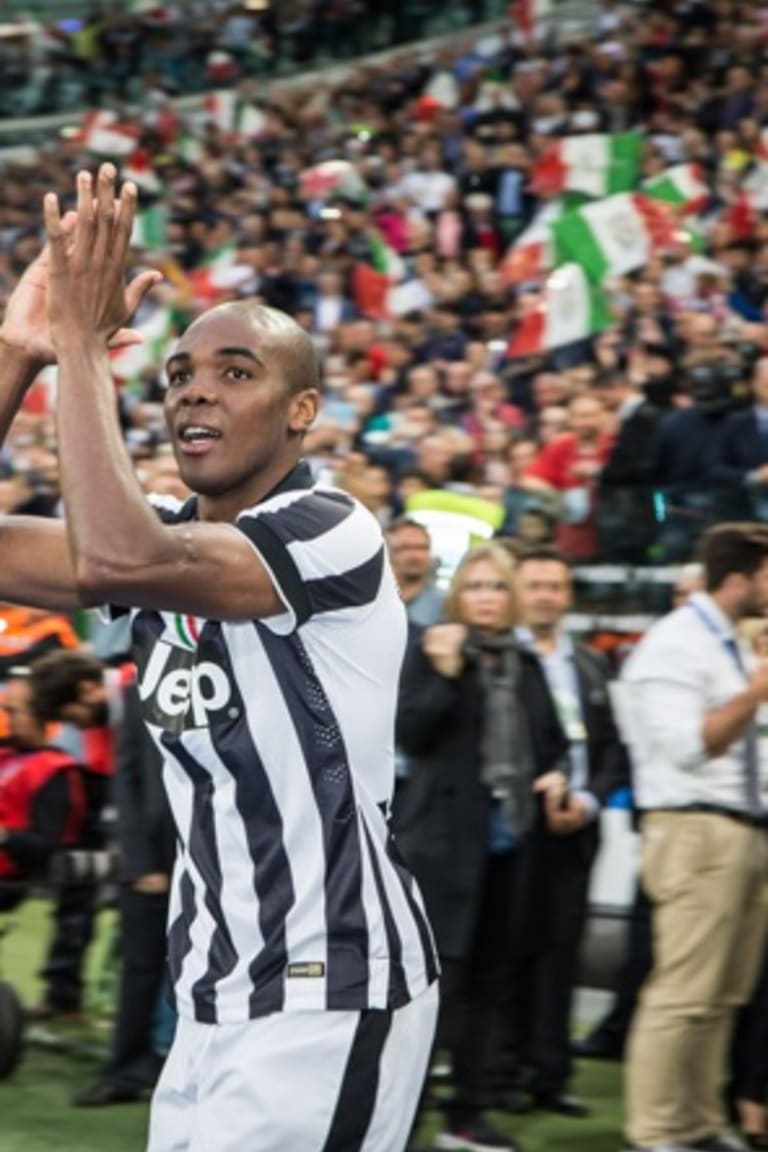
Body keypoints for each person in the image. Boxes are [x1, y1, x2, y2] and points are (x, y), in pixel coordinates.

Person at [0, 164, 439, 1152]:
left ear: (301, 410)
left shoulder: (332, 530)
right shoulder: (162, 531)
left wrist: (81, 344)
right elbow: (124, 550)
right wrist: (19, 351)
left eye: (237, 372)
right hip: (212, 989)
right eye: (179, 375)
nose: (195, 388)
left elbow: (120, 559)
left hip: (331, 984)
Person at [394, 541, 569, 1152]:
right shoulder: (431, 648)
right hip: (441, 848)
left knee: (491, 984)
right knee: (432, 993)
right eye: (475, 586)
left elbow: (551, 743)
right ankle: (397, 1122)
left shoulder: (526, 665)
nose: (487, 598)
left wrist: (557, 775)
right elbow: (410, 736)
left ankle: (465, 1116)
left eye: (497, 587)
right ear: (457, 596)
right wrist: (444, 674)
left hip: (509, 845)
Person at [619, 523, 768, 1152]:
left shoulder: (726, 644)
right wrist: (756, 691)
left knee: (724, 993)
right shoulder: (676, 644)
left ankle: (699, 1122)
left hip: (741, 829)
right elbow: (688, 747)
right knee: (683, 992)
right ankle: (656, 1130)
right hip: (694, 829)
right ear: (739, 578)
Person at [505, 546, 630, 1117]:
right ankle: (502, 1071)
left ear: (568, 595)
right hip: (517, 828)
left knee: (562, 955)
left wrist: (587, 800)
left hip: (577, 829)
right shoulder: (501, 659)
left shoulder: (589, 663)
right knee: (509, 953)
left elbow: (611, 748)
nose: (545, 596)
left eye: (555, 586)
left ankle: (549, 1075)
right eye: (535, 585)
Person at [26, 648, 176, 1108]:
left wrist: (144, 863)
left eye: (70, 714)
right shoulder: (133, 695)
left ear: (87, 689)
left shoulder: (140, 692)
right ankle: (136, 1069)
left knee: (152, 968)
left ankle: (137, 1069)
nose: (76, 726)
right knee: (148, 967)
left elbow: (135, 788)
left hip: (168, 857)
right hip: (161, 857)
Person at [0, 670, 86, 910]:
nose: (7, 720)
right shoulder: (7, 755)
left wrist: (5, 836)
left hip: (11, 876)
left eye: (14, 712)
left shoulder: (53, 769)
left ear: (38, 714)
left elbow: (47, 847)